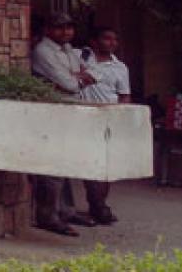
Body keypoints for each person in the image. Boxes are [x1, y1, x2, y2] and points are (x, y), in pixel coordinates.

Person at [30, 12, 97, 236]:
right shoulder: (43, 51)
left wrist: (76, 78)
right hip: (53, 111)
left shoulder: (69, 50)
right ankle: (47, 216)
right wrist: (77, 79)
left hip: (70, 109)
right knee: (52, 164)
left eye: (69, 27)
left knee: (66, 162)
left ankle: (65, 210)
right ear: (48, 29)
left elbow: (92, 75)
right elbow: (70, 83)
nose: (66, 32)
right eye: (60, 28)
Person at [78, 26, 131, 224]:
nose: (112, 43)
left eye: (114, 39)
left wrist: (121, 119)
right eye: (106, 38)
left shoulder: (120, 68)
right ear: (94, 41)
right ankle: (96, 204)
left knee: (104, 164)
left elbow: (124, 96)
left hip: (107, 118)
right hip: (83, 116)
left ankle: (99, 205)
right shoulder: (81, 56)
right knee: (88, 162)